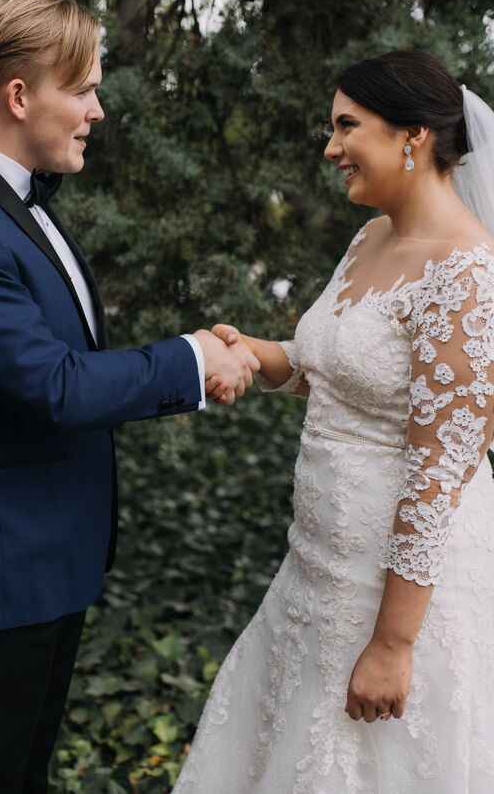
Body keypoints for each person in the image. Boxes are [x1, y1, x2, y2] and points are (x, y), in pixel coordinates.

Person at [0, 0, 260, 793]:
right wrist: (191, 358)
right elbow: (54, 384)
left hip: (40, 563)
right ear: (21, 95)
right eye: (82, 90)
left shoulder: (15, 210)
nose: (98, 111)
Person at [173, 51, 494, 792]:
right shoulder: (371, 239)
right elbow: (338, 365)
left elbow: (440, 469)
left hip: (398, 596)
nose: (329, 147)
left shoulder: (467, 272)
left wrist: (392, 643)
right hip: (313, 574)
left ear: (413, 136)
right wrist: (258, 355)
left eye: (346, 126)